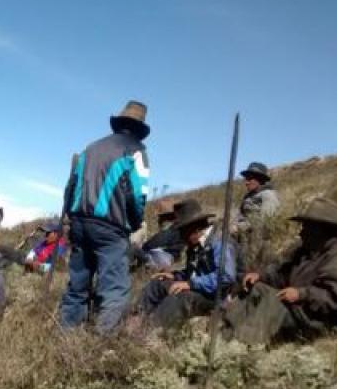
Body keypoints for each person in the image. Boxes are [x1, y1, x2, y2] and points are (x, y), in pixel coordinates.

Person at [59, 100, 151, 333]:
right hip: (110, 228)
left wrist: (70, 219)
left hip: (79, 222)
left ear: (119, 124)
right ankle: (102, 344)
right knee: (114, 288)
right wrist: (136, 221)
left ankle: (65, 337)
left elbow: (70, 186)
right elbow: (138, 195)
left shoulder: (90, 148)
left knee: (77, 285)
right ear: (140, 130)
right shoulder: (137, 152)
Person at [224, 198, 337, 344]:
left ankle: (247, 347)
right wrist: (260, 276)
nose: (301, 233)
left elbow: (335, 297)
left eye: (307, 228)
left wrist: (301, 294)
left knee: (270, 303)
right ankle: (226, 332)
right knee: (257, 288)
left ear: (323, 230)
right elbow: (281, 274)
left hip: (324, 321)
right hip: (299, 310)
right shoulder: (305, 250)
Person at [136, 199, 237, 330]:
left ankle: (150, 329)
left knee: (181, 297)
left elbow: (226, 276)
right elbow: (194, 272)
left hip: (216, 297)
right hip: (200, 290)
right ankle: (137, 318)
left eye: (183, 232)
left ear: (195, 229)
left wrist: (190, 284)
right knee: (158, 283)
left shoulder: (220, 242)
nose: (181, 236)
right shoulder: (195, 245)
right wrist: (175, 275)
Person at [232, 162, 281, 270]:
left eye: (249, 179)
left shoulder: (269, 195)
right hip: (242, 240)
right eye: (246, 179)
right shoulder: (247, 197)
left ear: (259, 179)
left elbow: (265, 221)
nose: (246, 182)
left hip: (257, 243)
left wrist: (240, 227)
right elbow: (239, 216)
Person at [132, 199, 186, 270]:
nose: (159, 219)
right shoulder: (181, 227)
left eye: (160, 216)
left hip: (164, 258)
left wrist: (143, 247)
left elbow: (154, 242)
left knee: (133, 248)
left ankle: (147, 261)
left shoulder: (171, 229)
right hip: (170, 258)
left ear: (167, 215)